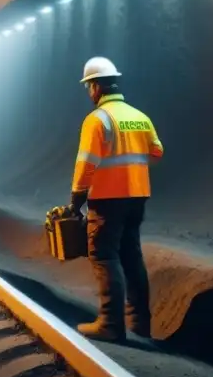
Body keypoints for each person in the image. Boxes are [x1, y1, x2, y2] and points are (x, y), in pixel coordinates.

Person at [68, 57, 163, 342]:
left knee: (104, 255)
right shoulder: (139, 115)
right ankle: (140, 326)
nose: (89, 92)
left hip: (108, 199)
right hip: (137, 196)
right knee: (131, 255)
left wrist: (76, 199)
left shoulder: (97, 120)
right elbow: (157, 152)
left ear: (96, 87)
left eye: (89, 87)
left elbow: (86, 164)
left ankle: (111, 324)